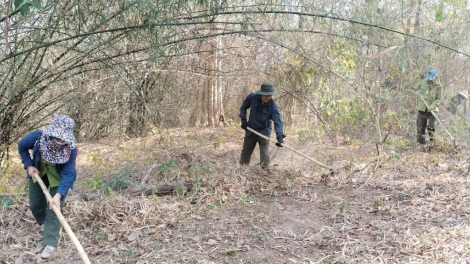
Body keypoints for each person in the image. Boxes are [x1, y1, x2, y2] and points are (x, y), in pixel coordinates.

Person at [18, 114, 78, 259]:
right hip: (39, 172)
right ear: (50, 134)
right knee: (35, 204)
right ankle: (49, 224)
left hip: (58, 178)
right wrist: (29, 165)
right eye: (57, 138)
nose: (60, 140)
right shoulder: (37, 137)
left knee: (54, 208)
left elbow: (69, 173)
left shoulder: (71, 148)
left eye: (63, 139)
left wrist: (58, 195)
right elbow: (21, 146)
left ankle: (50, 241)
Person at [239, 82, 285, 168]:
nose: (268, 97)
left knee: (264, 154)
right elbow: (243, 107)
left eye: (270, 95)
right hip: (251, 129)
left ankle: (265, 172)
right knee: (245, 152)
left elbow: (278, 121)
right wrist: (243, 119)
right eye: (265, 95)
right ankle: (242, 169)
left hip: (264, 131)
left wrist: (279, 135)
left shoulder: (273, 106)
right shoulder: (252, 97)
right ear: (261, 93)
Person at [416, 69, 443, 145]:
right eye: (429, 79)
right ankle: (421, 144)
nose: (429, 81)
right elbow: (417, 86)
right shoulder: (423, 82)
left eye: (431, 79)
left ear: (435, 78)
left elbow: (438, 99)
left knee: (431, 126)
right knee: (421, 127)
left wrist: (432, 106)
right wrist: (415, 88)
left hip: (433, 109)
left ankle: (432, 142)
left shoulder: (439, 86)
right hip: (422, 107)